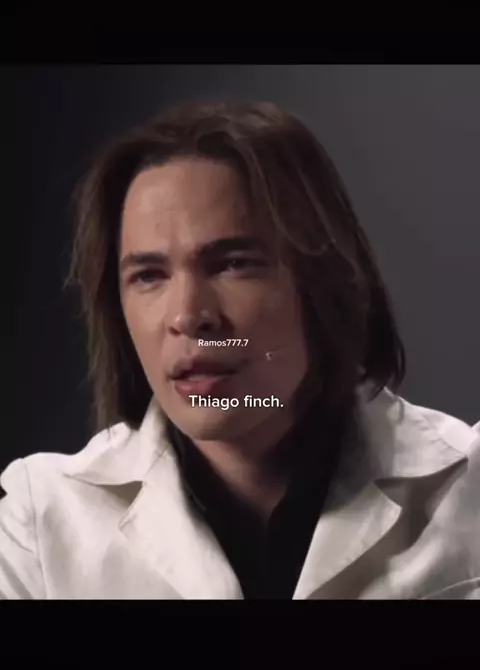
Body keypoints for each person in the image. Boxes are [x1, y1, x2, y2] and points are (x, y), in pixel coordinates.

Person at [2, 101, 479, 600]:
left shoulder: (469, 489)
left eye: (233, 264)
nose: (188, 316)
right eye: (149, 275)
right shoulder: (41, 523)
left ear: (324, 280)